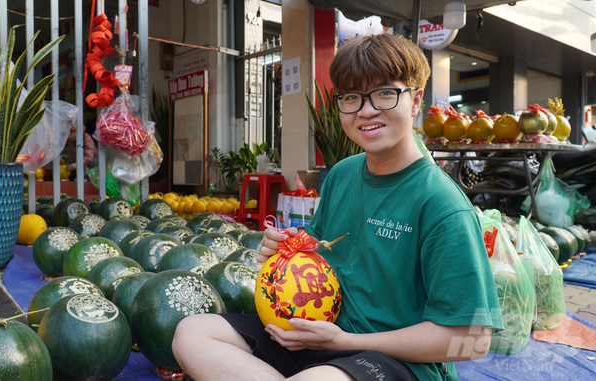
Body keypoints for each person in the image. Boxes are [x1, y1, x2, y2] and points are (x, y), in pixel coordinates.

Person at [172, 33, 503, 381]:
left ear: (416, 99)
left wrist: (346, 340)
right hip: (320, 338)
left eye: (385, 93)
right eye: (352, 98)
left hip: (394, 360)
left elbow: (473, 342)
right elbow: (321, 250)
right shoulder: (342, 174)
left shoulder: (441, 203)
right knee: (192, 333)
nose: (367, 110)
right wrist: (288, 246)